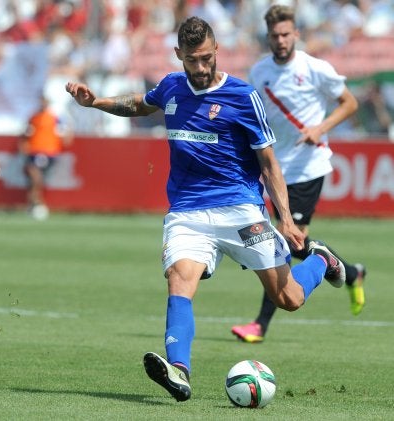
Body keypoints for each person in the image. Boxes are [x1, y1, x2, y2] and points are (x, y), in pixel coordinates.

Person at [66, 16, 347, 402]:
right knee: (180, 278)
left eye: (206, 59)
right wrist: (96, 101)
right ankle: (179, 371)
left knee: (289, 299)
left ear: (216, 51)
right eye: (192, 60)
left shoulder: (242, 96)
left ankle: (320, 260)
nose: (200, 68)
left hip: (242, 209)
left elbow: (268, 162)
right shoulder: (171, 87)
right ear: (178, 55)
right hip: (188, 211)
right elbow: (139, 105)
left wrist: (284, 219)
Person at [231, 4, 365, 344]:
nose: (280, 40)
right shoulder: (259, 73)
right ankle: (350, 273)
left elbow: (350, 103)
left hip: (308, 165)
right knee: (296, 242)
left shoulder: (315, 68)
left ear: (297, 34)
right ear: (268, 36)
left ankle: (260, 324)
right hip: (277, 170)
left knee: (286, 238)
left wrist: (321, 128)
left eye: (286, 34)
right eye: (274, 35)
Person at [19, 96, 72, 220]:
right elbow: (25, 134)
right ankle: (36, 203)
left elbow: (65, 134)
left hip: (49, 152)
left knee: (37, 179)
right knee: (35, 177)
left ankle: (36, 203)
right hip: (34, 152)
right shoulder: (33, 117)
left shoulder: (54, 118)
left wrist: (63, 140)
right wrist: (24, 148)